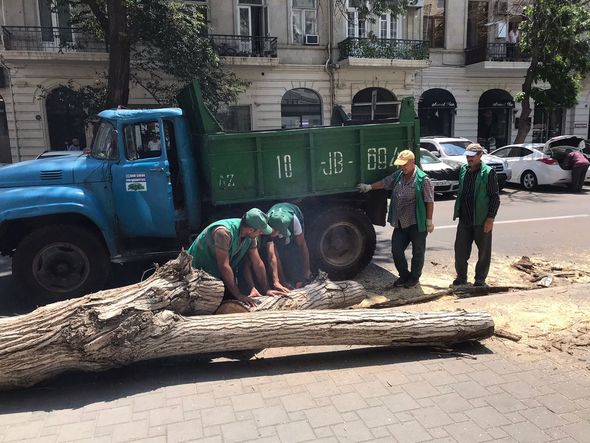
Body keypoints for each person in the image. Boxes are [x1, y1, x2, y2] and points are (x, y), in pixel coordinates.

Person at [357, 149, 434, 288]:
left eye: (405, 164)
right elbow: (385, 182)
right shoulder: (399, 175)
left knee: (418, 251)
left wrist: (429, 221)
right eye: (401, 164)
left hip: (416, 223)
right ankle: (404, 275)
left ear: (412, 162)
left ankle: (414, 278)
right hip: (400, 223)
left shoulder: (423, 180)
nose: (402, 167)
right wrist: (369, 187)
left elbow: (429, 201)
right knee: (396, 250)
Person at [187, 208, 279, 307]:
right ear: (251, 230)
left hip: (212, 274)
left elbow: (257, 263)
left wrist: (266, 289)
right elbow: (224, 266)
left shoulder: (250, 237)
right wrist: (238, 295)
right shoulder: (223, 232)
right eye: (260, 231)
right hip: (193, 275)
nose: (261, 233)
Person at [452, 143, 500, 288]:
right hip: (465, 219)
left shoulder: (488, 173)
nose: (469, 159)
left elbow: (495, 198)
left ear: (480, 155)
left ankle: (480, 279)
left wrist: (490, 218)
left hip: (481, 220)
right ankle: (461, 277)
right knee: (460, 251)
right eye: (467, 156)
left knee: (484, 252)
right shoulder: (464, 170)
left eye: (472, 156)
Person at [267, 202, 312, 288]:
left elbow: (302, 245)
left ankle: (299, 278)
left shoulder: (294, 220)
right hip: (273, 226)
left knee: (294, 247)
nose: (281, 234)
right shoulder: (266, 225)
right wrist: (282, 282)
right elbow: (273, 256)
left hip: (293, 214)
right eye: (279, 232)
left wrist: (306, 271)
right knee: (278, 251)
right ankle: (285, 280)